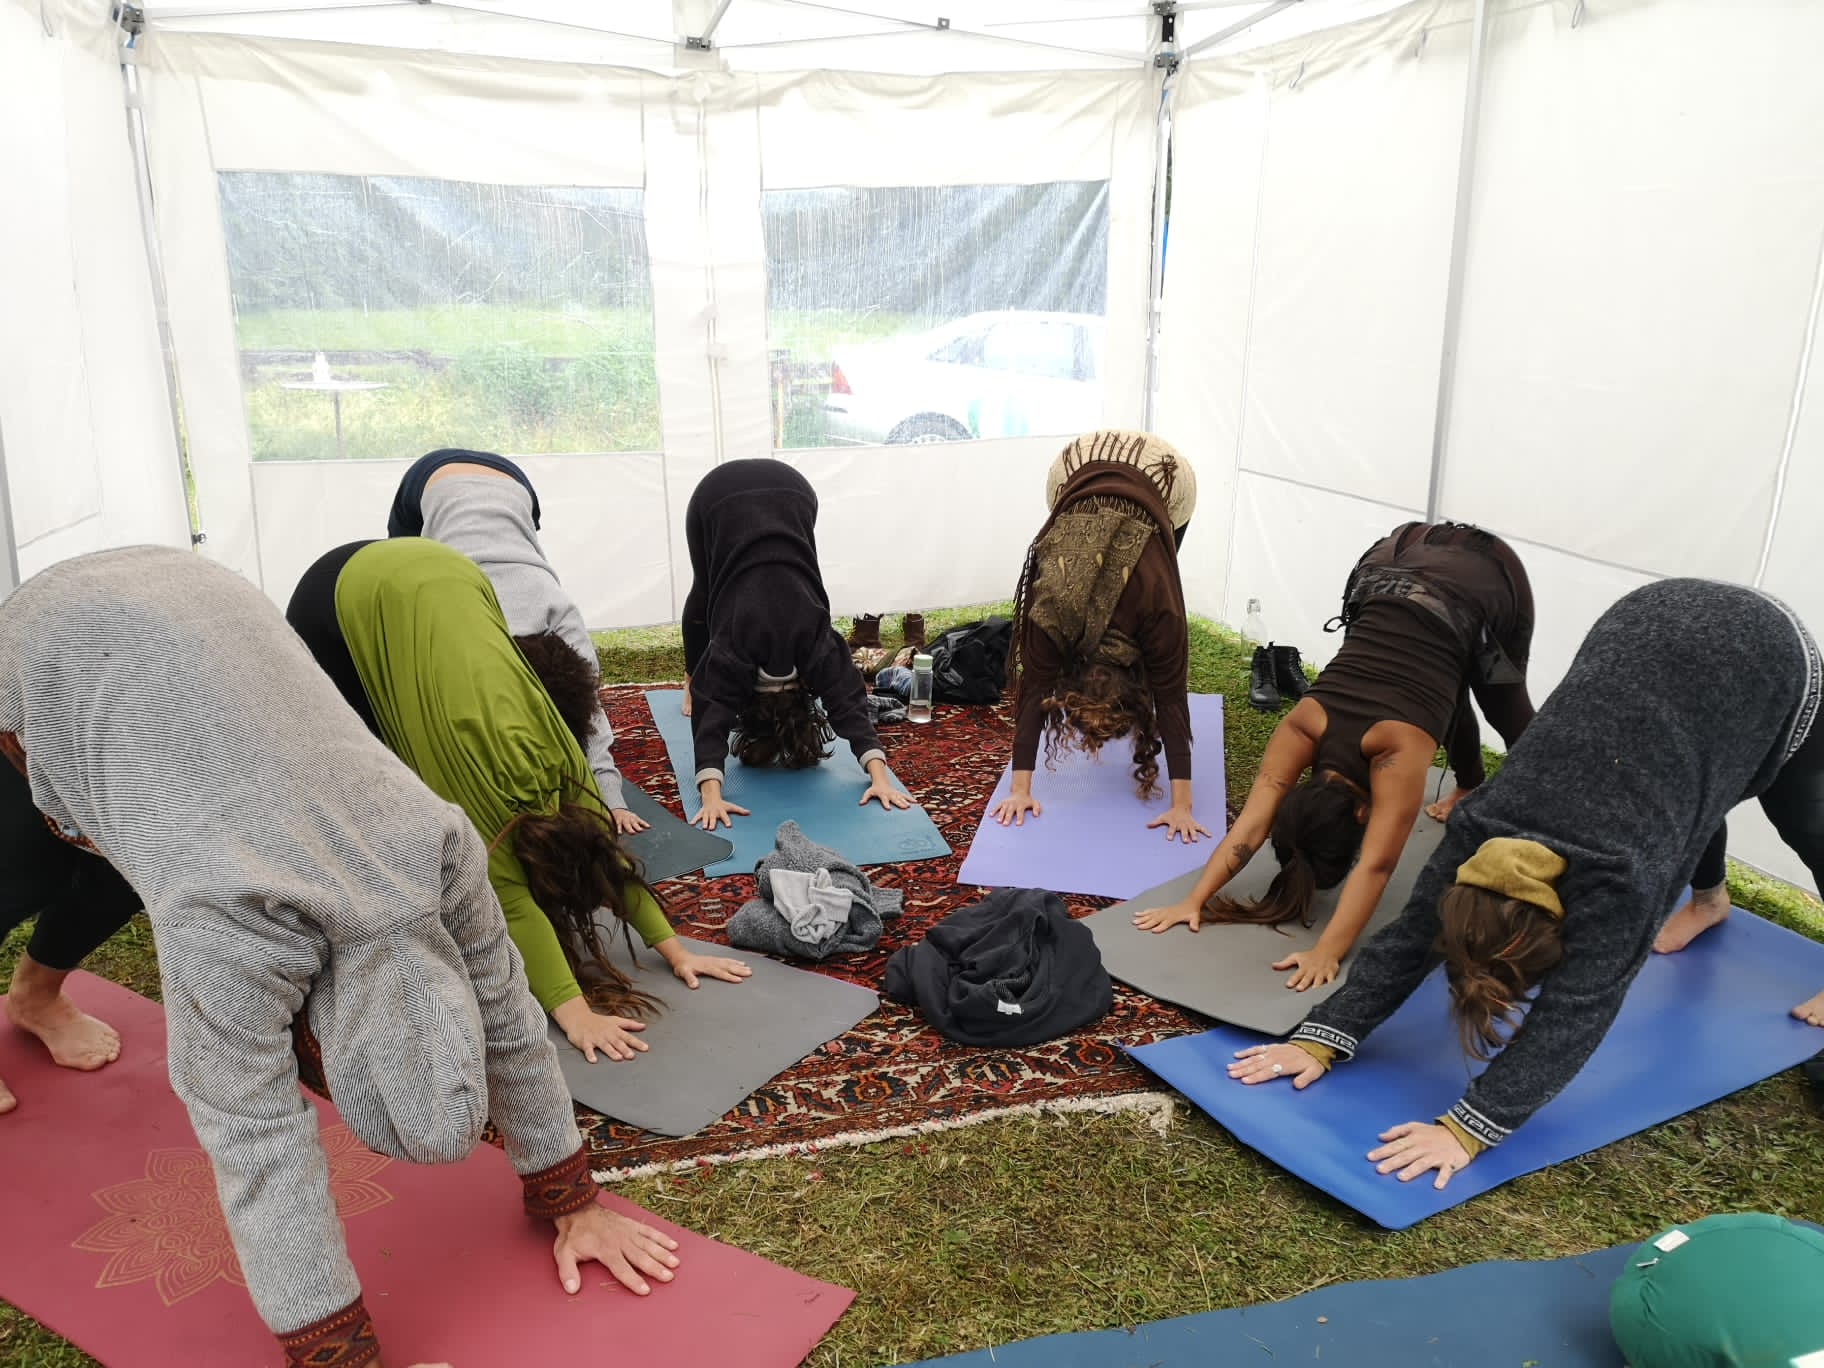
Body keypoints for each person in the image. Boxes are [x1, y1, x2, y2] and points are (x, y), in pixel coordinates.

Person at [0, 547, 684, 1368]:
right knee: (27, 869)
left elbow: (507, 1015)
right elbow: (254, 1135)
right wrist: (341, 1358)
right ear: (314, 1053)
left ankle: (34, 994)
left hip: (203, 615)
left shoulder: (439, 842)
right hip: (53, 639)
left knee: (131, 856)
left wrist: (572, 1198)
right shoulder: (226, 923)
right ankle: (30, 983)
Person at [1226, 579, 1824, 1188]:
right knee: (1688, 783)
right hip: (1644, 643)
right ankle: (1712, 901)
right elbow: (1410, 937)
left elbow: (1578, 1012)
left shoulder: (1623, 879)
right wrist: (1323, 1038)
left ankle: (1715, 892)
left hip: (1763, 652)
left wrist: (1468, 1128)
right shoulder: (1477, 829)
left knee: (1806, 820)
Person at [287, 538, 750, 1065]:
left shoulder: (575, 781)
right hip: (336, 598)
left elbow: (610, 864)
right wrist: (575, 1012)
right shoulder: (493, 826)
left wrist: (676, 951)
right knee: (359, 765)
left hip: (451, 572)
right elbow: (511, 903)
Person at [1134, 521, 1537, 991]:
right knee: (1448, 672)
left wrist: (1328, 950)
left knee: (1505, 707)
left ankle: (1558, 807)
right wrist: (1194, 900)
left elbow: (1376, 865)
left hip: (1483, 575)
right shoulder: (1303, 724)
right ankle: (1468, 783)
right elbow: (1252, 825)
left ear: (1362, 813)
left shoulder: (1396, 751)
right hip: (1390, 558)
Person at [388, 447, 647, 836]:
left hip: (495, 481)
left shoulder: (555, 609)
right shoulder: (458, 621)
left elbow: (589, 712)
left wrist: (611, 799)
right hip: (451, 482)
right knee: (398, 567)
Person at [989, 430, 1206, 842]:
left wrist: (1183, 807)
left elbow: (1171, 700)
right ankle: (1150, 544)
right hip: (1084, 467)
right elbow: (1034, 694)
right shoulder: (1056, 618)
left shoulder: (1158, 616)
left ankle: (1151, 541)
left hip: (1151, 473)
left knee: (1161, 551)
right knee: (1156, 558)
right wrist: (1018, 791)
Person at [680, 458, 911, 830]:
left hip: (776, 490)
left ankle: (693, 678)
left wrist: (711, 796)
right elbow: (846, 702)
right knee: (709, 590)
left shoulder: (806, 639)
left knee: (717, 585)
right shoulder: (740, 643)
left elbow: (714, 712)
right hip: (749, 493)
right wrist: (879, 779)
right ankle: (692, 678)